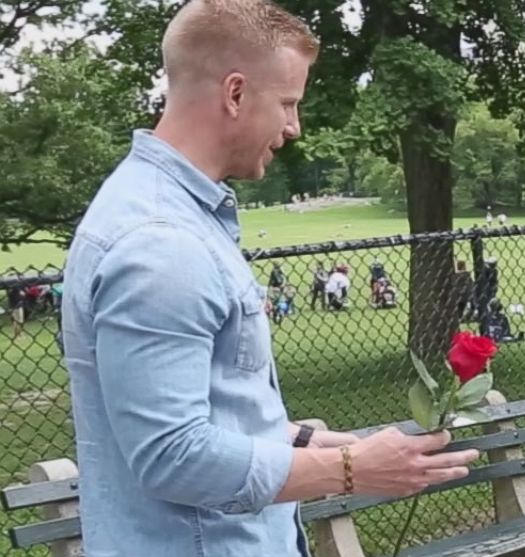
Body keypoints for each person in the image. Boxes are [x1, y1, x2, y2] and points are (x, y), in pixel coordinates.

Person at [58, 2, 478, 556]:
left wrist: (300, 441)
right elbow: (172, 457)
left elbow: (190, 410)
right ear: (235, 93)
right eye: (287, 103)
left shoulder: (170, 215)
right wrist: (350, 469)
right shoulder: (163, 244)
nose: (292, 127)